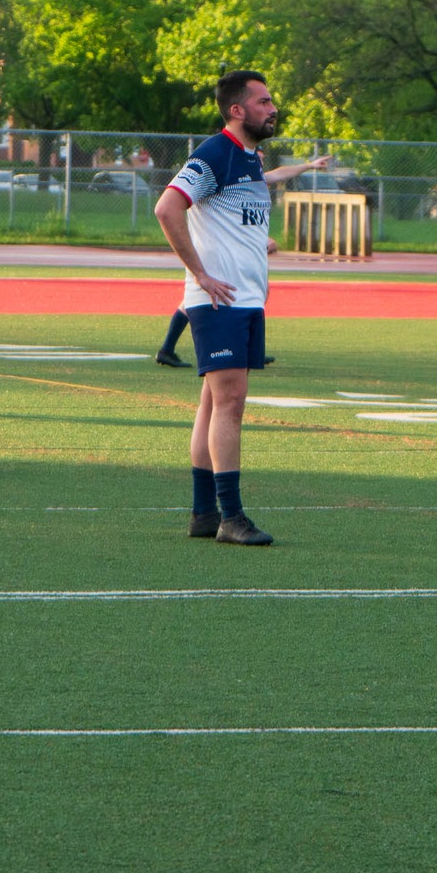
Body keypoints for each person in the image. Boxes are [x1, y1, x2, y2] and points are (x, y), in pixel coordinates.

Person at [155, 70, 285, 545]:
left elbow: (228, 219)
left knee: (213, 405)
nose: (272, 109)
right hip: (220, 303)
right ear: (237, 109)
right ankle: (231, 517)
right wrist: (201, 274)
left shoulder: (249, 158)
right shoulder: (214, 152)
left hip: (246, 301)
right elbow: (168, 208)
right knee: (230, 405)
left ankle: (204, 514)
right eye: (264, 101)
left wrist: (257, 243)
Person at [154, 151, 331, 367]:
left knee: (254, 293)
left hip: (239, 253)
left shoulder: (253, 179)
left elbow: (280, 175)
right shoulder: (229, 178)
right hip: (217, 253)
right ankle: (170, 349)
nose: (261, 162)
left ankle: (244, 349)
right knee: (203, 300)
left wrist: (310, 165)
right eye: (258, 158)